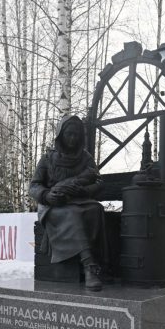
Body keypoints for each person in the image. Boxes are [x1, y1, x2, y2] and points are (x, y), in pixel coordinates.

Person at [29, 114, 107, 291]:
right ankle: (89, 266)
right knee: (73, 214)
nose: (72, 138)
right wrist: (46, 195)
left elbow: (99, 183)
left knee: (96, 209)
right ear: (60, 135)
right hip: (53, 205)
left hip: (80, 200)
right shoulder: (48, 159)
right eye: (69, 134)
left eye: (76, 135)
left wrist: (84, 190)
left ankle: (101, 261)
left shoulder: (85, 158)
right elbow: (33, 186)